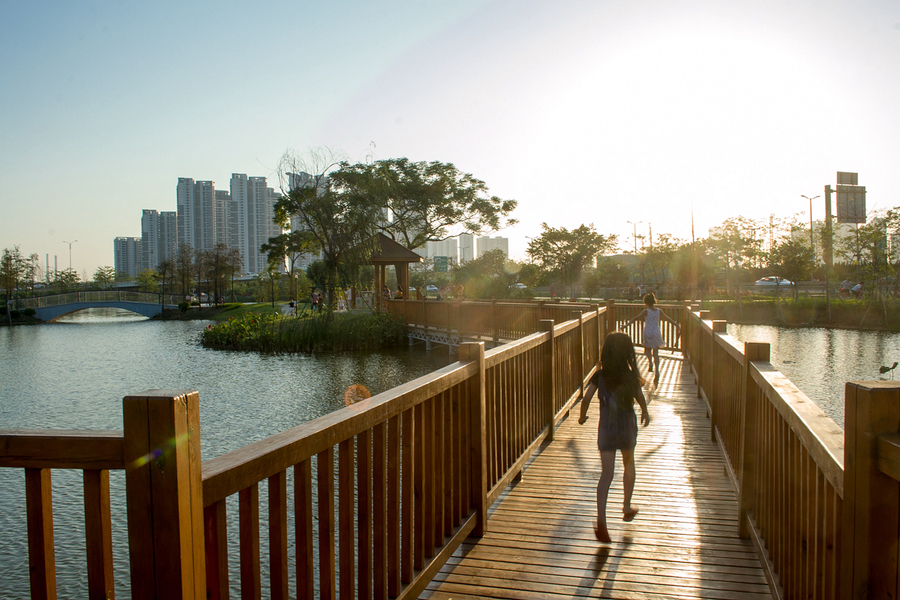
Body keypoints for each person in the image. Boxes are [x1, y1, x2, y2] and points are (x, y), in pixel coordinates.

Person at [578, 331, 651, 543]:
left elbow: (586, 399)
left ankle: (601, 521)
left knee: (606, 474)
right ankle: (626, 506)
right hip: (627, 425)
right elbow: (640, 398)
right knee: (629, 464)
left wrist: (582, 417)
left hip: (607, 427)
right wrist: (645, 412)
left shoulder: (600, 376)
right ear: (628, 353)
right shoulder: (630, 377)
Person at [623, 293, 681, 384]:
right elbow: (668, 318)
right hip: (656, 332)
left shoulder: (646, 311)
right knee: (656, 353)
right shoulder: (659, 311)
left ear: (646, 302)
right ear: (654, 301)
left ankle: (650, 363)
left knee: (647, 350)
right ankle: (657, 371)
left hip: (648, 332)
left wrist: (626, 325)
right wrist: (676, 324)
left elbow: (635, 318)